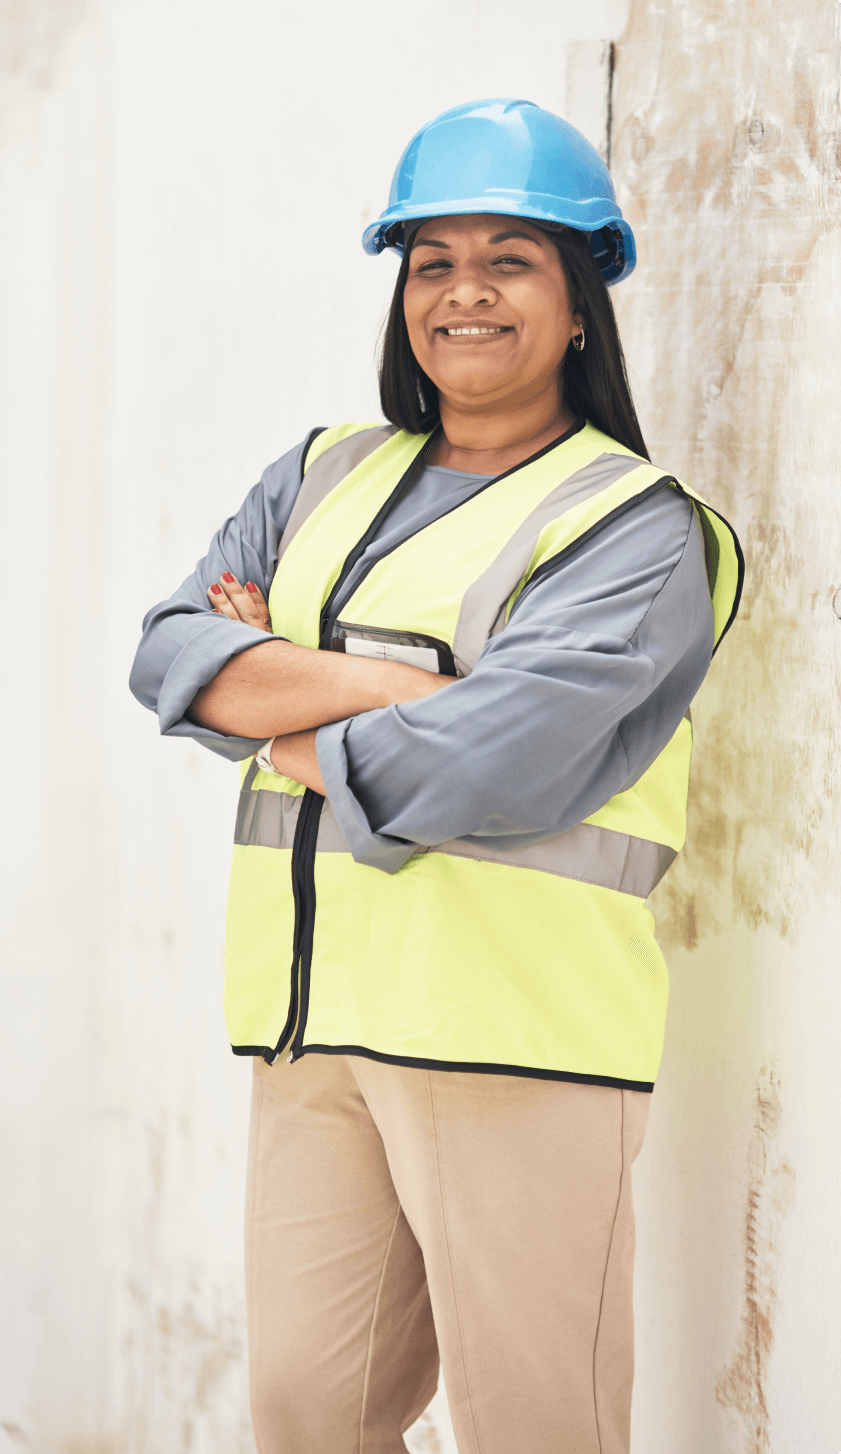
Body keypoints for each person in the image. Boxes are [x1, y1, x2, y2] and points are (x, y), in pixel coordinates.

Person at [130, 98, 743, 1454]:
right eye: (432, 261)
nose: (463, 290)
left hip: (513, 1039)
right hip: (312, 1028)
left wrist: (274, 690)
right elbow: (172, 653)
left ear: (582, 302)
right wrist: (392, 685)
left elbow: (488, 760)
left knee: (537, 1428)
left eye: (510, 259)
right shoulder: (321, 472)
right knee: (309, 1412)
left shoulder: (638, 532)